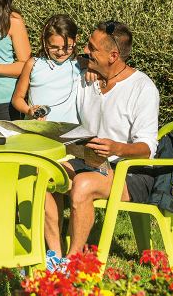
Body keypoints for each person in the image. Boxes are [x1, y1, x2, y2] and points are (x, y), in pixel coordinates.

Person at [43, 20, 159, 259]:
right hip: (90, 161)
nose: (85, 51)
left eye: (92, 48)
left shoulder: (142, 88)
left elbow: (147, 149)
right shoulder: (87, 79)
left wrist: (116, 147)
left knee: (83, 185)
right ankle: (54, 255)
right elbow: (55, 66)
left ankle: (72, 262)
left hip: (131, 171)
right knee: (43, 174)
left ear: (113, 55)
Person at [11, 14, 86, 124]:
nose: (61, 52)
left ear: (75, 40)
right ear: (45, 42)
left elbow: (105, 69)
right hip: (37, 130)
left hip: (67, 133)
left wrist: (92, 71)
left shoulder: (78, 64)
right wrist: (29, 111)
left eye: (67, 47)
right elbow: (17, 99)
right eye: (54, 47)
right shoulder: (33, 64)